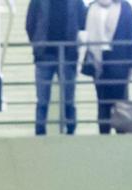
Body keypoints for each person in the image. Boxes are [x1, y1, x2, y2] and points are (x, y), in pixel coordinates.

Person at [27, 0, 89, 135]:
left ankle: (71, 130)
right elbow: (30, 24)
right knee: (42, 98)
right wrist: (37, 44)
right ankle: (40, 131)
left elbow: (83, 22)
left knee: (69, 98)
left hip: (68, 55)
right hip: (44, 55)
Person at [82, 0, 132, 134]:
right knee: (102, 102)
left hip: (120, 60)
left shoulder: (124, 7)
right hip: (99, 61)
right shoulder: (91, 8)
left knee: (120, 103)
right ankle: (104, 136)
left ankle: (121, 136)